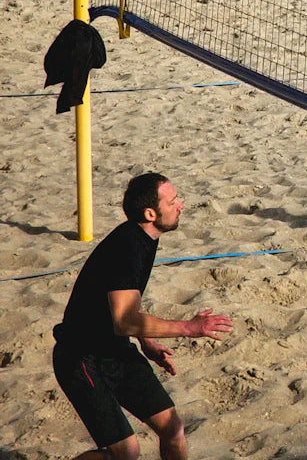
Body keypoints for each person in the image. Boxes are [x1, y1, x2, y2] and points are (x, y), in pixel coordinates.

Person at [52, 172, 233, 460]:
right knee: (126, 452)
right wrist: (190, 327)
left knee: (173, 431)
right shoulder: (128, 249)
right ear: (150, 213)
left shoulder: (144, 237)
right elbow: (124, 320)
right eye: (173, 201)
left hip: (114, 350)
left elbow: (119, 307)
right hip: (80, 358)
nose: (181, 205)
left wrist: (146, 341)